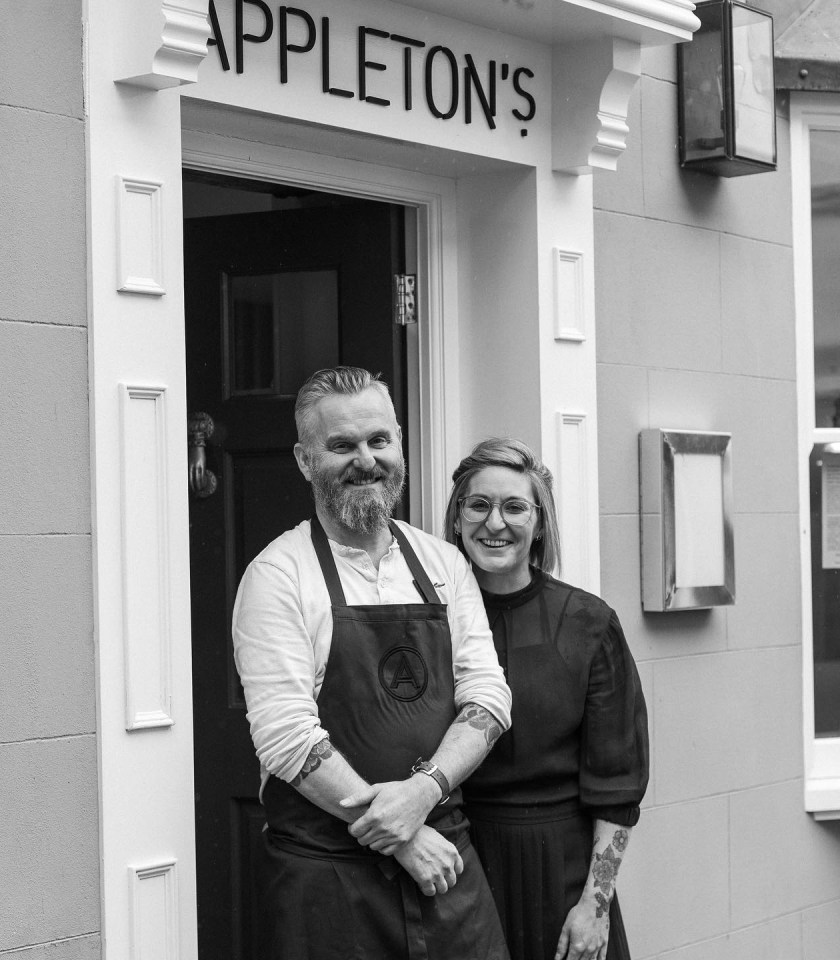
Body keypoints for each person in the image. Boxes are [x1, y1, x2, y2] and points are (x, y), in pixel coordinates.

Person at [232, 366, 513, 960]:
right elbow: (286, 739)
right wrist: (401, 836)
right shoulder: (278, 576)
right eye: (342, 445)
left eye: (379, 440)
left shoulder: (444, 563)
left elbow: (488, 696)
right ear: (306, 461)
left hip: (445, 858)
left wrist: (422, 794)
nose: (366, 459)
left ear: (400, 445)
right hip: (329, 877)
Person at [444, 438, 649, 960]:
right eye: (479, 504)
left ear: (540, 522)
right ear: (456, 517)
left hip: (562, 876)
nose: (495, 523)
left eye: (515, 506)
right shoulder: (429, 620)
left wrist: (595, 906)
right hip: (453, 866)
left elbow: (617, 787)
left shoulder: (588, 623)